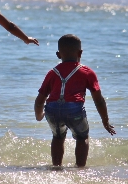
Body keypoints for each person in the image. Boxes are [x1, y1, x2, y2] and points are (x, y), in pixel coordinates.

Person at [34, 34, 115, 167]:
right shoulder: (87, 72)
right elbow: (99, 100)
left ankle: (56, 167)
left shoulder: (52, 73)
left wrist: (39, 115)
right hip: (74, 110)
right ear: (80, 53)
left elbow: (39, 100)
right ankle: (80, 168)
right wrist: (105, 120)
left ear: (58, 55)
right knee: (82, 137)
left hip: (52, 110)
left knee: (58, 137)